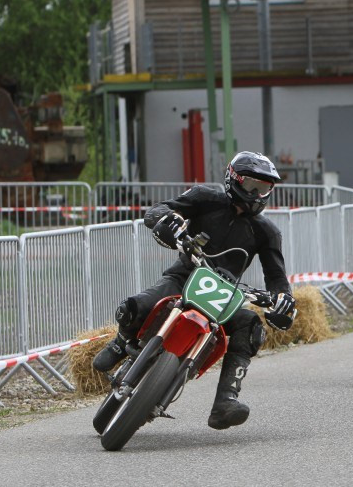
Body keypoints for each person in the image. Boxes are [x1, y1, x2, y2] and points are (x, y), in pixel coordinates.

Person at [91, 151, 297, 430]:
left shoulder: (267, 231)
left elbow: (276, 276)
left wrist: (283, 300)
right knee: (132, 307)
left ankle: (226, 401)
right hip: (185, 277)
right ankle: (120, 343)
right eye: (252, 186)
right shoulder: (205, 197)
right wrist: (168, 220)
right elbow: (158, 209)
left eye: (264, 189)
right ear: (234, 180)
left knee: (251, 326)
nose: (257, 195)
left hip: (225, 294)